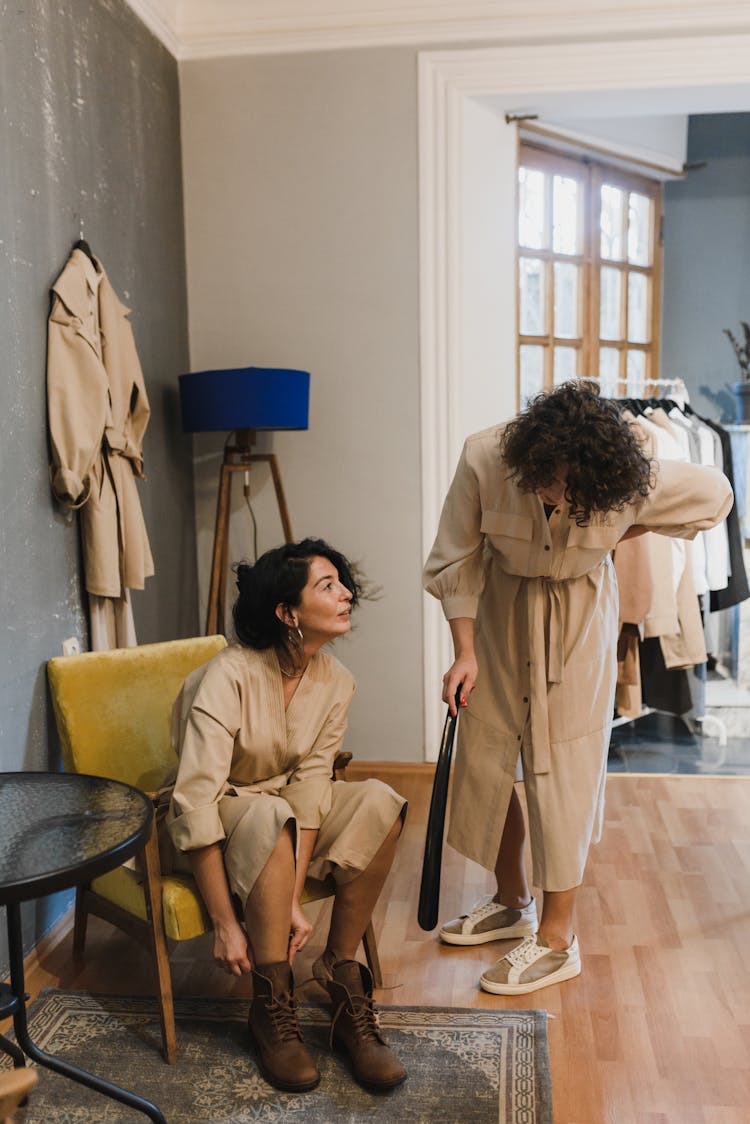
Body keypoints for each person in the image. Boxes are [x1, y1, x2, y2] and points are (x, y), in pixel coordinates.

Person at [423, 381, 732, 995]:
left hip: (578, 621)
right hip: (500, 614)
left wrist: (622, 529)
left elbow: (715, 497)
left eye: (577, 488)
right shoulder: (485, 456)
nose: (562, 496)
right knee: (488, 758)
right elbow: (455, 557)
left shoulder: (628, 474)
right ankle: (512, 902)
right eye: (555, 481)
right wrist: (464, 653)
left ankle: (559, 938)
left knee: (561, 768)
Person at [166, 538, 407, 1093]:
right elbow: (195, 803)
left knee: (379, 801)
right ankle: (271, 999)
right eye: (328, 586)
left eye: (343, 584)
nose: (347, 594)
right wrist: (227, 926)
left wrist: (294, 901)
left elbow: (311, 791)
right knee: (270, 814)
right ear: (287, 612)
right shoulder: (225, 676)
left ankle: (342, 975)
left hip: (281, 818)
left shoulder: (336, 680)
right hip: (214, 818)